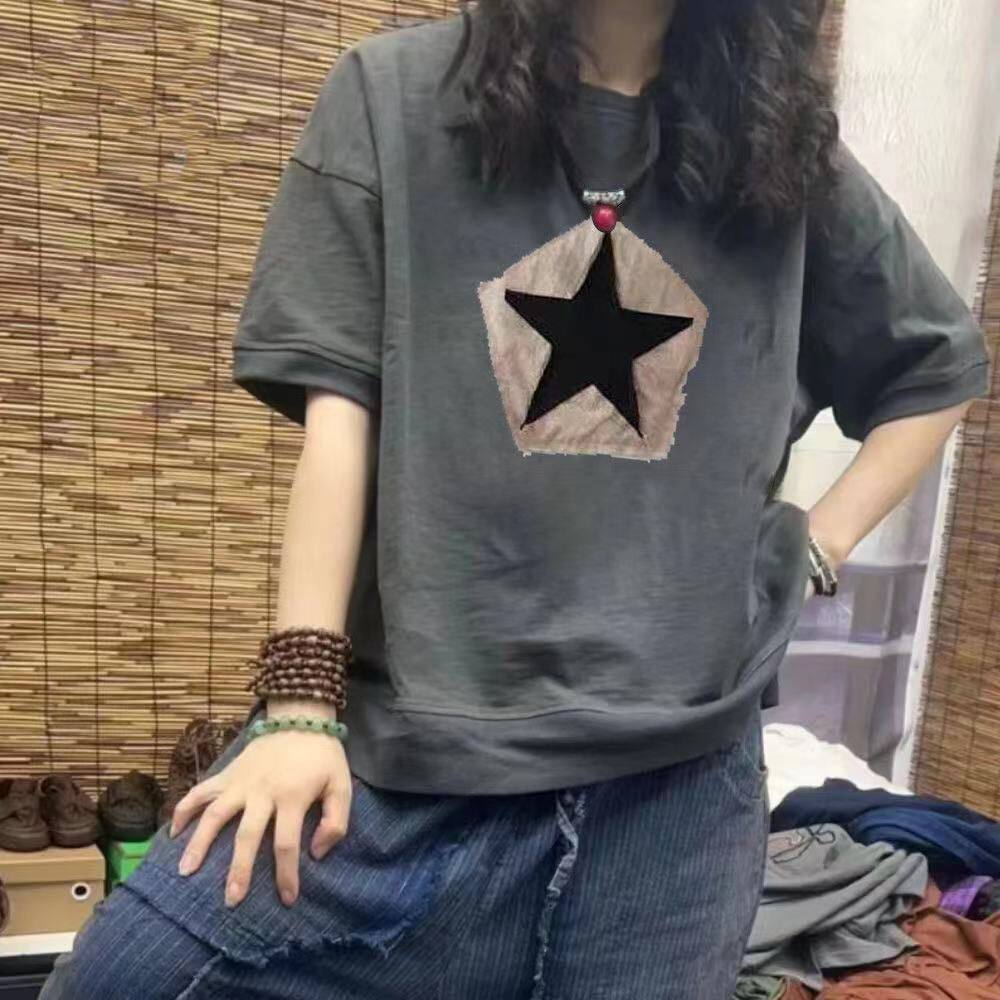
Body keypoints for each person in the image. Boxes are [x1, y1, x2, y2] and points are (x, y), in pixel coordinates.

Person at [43, 0, 990, 997]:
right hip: (410, 769)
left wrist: (817, 544)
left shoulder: (780, 139)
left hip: (674, 809)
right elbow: (338, 421)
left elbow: (935, 365)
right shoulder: (394, 97)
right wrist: (298, 708)